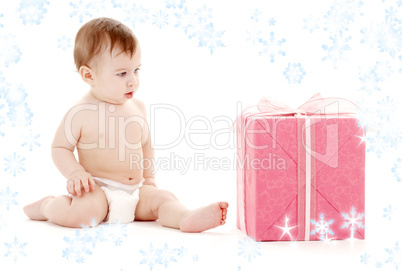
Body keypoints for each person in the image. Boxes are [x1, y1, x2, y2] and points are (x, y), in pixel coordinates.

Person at [23, 17, 228, 232]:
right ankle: (47, 206)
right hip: (97, 189)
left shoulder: (137, 107)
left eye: (136, 70)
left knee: (163, 199)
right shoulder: (80, 112)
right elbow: (60, 147)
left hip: (136, 190)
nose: (132, 80)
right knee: (84, 214)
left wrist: (149, 178)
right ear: (89, 75)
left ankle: (185, 217)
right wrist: (75, 173)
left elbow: (146, 146)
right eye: (122, 73)